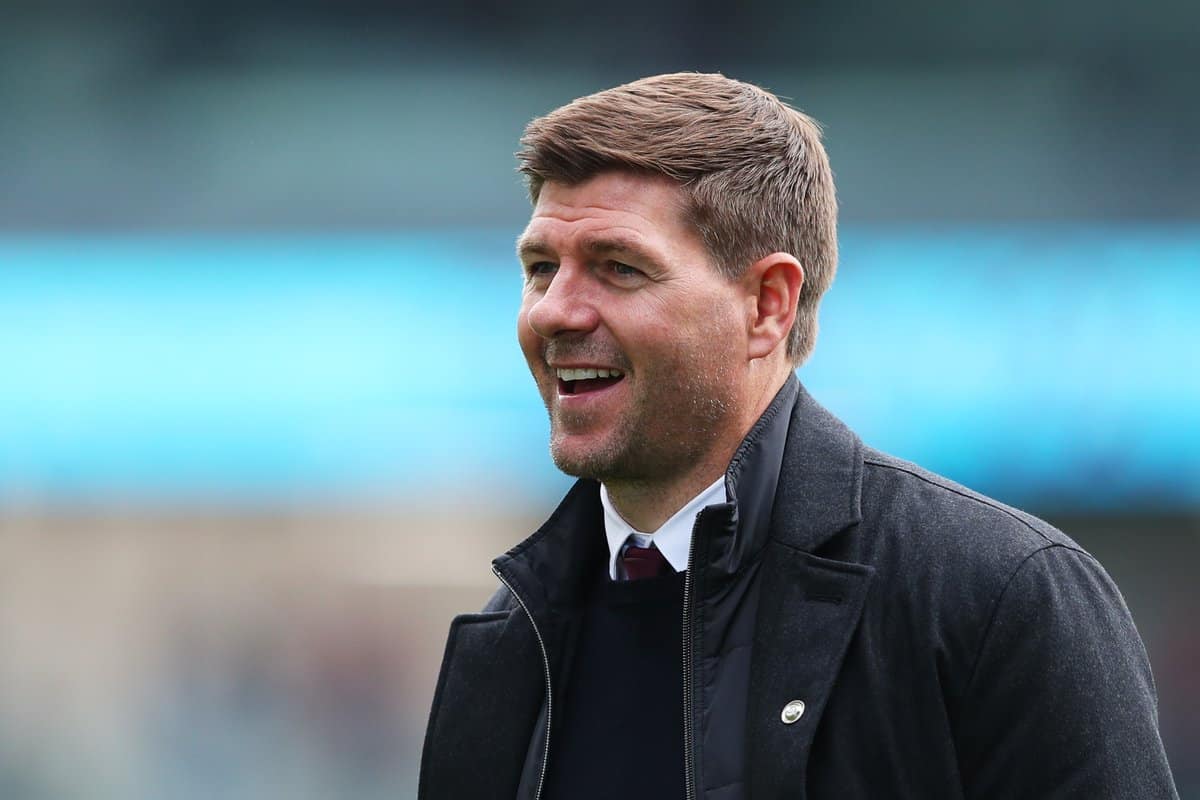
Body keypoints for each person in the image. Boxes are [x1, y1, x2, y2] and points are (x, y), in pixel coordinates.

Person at [418, 72, 1178, 799]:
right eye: (540, 268)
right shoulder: (506, 638)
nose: (554, 311)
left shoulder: (1000, 595)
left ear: (768, 305)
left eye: (618, 268)